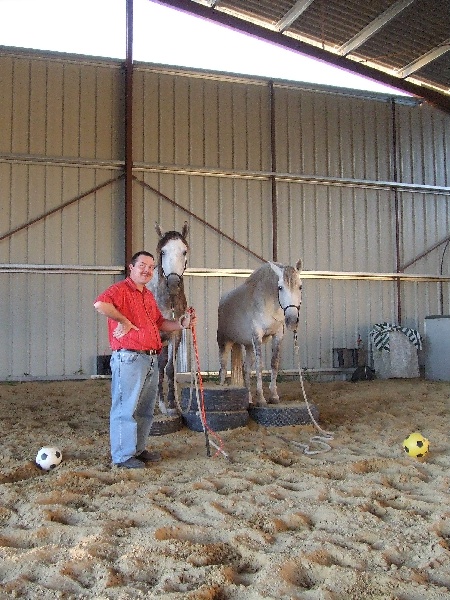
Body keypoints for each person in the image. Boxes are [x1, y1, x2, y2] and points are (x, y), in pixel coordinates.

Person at [94, 250, 195, 469]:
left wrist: (181, 325)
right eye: (142, 265)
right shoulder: (120, 290)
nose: (147, 270)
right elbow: (100, 305)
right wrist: (123, 320)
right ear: (131, 267)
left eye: (151, 267)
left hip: (150, 358)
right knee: (125, 408)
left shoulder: (147, 295)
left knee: (144, 409)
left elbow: (159, 323)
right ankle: (122, 456)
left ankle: (137, 450)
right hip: (129, 357)